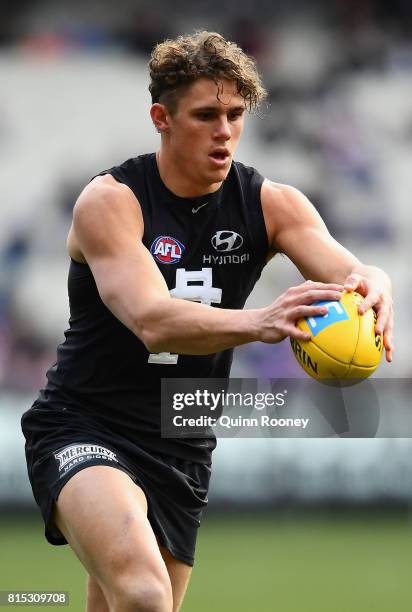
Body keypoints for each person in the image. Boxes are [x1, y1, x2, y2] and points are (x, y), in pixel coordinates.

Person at [21, 31, 393, 612]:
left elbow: (351, 270)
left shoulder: (272, 204)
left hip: (181, 441)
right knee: (145, 595)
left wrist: (377, 283)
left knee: (126, 602)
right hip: (85, 423)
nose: (224, 131)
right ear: (161, 118)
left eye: (235, 114)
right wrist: (260, 321)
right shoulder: (112, 202)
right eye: (205, 115)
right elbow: (151, 321)